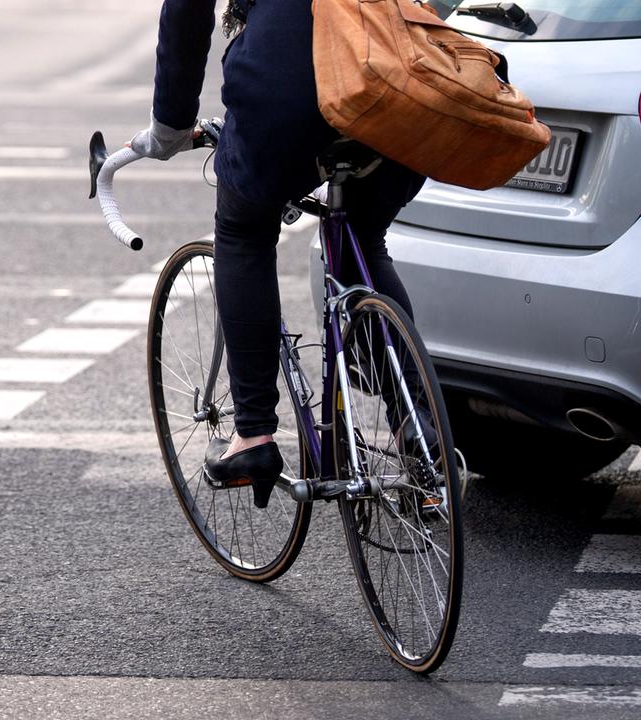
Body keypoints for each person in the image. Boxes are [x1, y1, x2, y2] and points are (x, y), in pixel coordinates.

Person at [128, 0, 429, 509]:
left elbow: (187, 7)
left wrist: (170, 124)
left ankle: (253, 436)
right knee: (363, 237)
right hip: (404, 77)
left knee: (244, 230)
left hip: (292, 75)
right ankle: (420, 433)